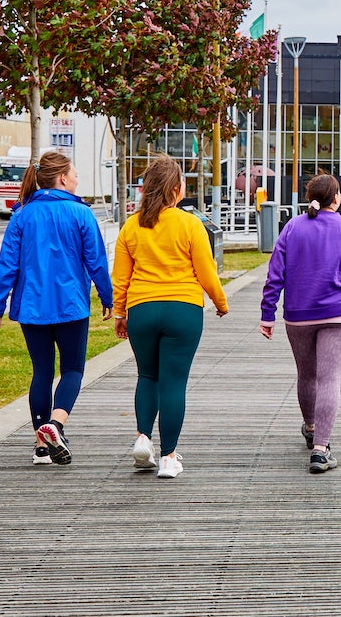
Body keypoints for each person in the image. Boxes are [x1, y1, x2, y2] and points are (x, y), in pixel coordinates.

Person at [0, 151, 113, 466]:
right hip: (71, 305)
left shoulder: (21, 216)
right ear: (62, 178)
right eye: (76, 174)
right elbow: (96, 262)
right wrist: (109, 298)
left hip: (31, 307)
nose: (78, 179)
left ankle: (41, 446)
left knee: (41, 371)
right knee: (72, 370)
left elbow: (7, 266)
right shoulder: (81, 214)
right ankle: (55, 425)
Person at [112, 155, 228, 479]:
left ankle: (142, 439)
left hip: (141, 309)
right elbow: (206, 269)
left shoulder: (131, 226)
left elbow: (120, 277)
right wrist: (220, 302)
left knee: (147, 376)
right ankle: (168, 457)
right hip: (183, 309)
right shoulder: (190, 224)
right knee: (174, 383)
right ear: (176, 189)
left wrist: (120, 312)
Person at [259, 174, 341, 473]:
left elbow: (275, 274)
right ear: (336, 198)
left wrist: (267, 314)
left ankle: (311, 427)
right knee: (329, 379)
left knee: (307, 375)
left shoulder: (293, 227)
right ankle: (321, 450)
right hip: (340, 314)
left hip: (298, 315)